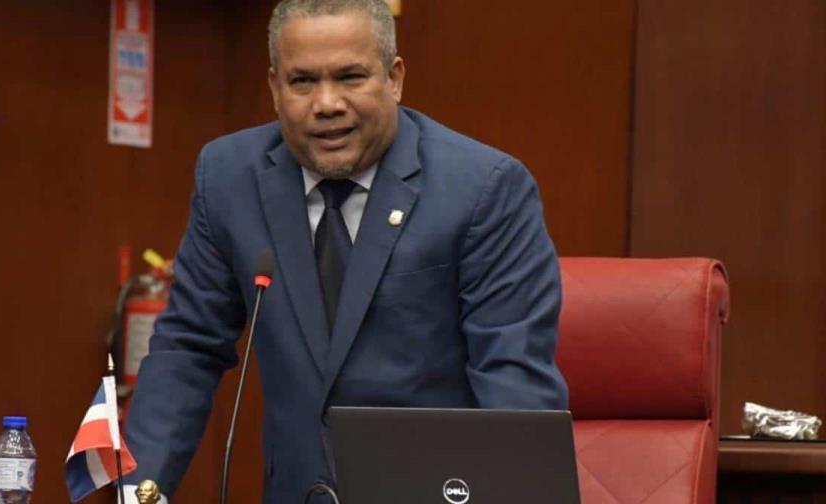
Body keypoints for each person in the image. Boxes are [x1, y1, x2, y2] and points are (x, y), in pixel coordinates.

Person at [122, 0, 568, 502]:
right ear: (275, 88)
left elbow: (513, 382)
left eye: (350, 77)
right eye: (303, 81)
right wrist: (139, 492)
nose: (327, 103)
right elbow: (187, 346)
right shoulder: (229, 177)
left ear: (394, 79)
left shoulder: (483, 189)